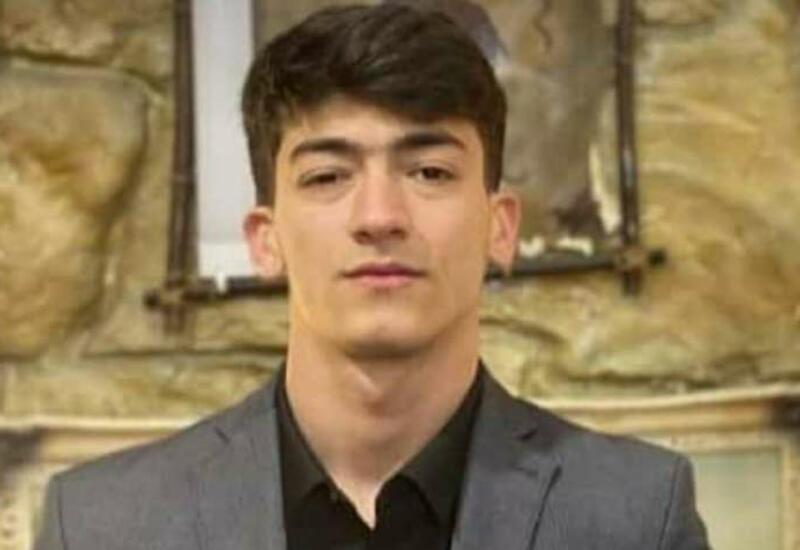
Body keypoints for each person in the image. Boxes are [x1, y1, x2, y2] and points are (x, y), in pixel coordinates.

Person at [35, 4, 709, 549]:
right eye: (328, 176)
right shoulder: (103, 526)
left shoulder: (636, 515)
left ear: (500, 228)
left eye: (430, 172)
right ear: (265, 240)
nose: (380, 216)